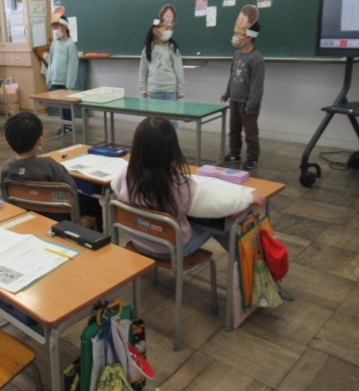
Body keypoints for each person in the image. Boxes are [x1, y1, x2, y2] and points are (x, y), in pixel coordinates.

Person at [111, 117, 265, 258]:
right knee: (224, 226)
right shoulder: (179, 186)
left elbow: (115, 186)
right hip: (170, 249)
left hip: (139, 240)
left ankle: (245, 260)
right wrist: (248, 198)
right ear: (172, 149)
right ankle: (245, 261)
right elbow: (220, 206)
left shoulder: (126, 174)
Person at [0, 112, 103, 231]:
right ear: (40, 141)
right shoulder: (50, 165)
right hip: (58, 221)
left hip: (26, 219)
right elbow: (71, 191)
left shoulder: (7, 168)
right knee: (91, 201)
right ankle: (98, 237)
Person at [221, 20, 265, 170]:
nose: (236, 36)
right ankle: (234, 153)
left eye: (239, 33)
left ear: (249, 36)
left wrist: (252, 104)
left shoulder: (256, 58)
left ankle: (252, 157)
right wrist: (228, 93)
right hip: (235, 99)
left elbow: (257, 85)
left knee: (250, 132)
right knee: (234, 129)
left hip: (248, 102)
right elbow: (232, 75)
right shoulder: (236, 55)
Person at [139, 16, 185, 129]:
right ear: (156, 30)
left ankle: (171, 140)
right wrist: (143, 88)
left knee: (172, 121)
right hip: (154, 90)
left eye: (170, 28)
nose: (169, 30)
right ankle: (156, 140)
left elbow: (179, 70)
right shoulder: (148, 49)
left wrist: (181, 90)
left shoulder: (172, 48)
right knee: (154, 120)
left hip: (170, 91)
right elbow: (143, 70)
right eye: (166, 28)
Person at [46, 10, 79, 133]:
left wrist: (69, 84)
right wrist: (49, 78)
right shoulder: (54, 44)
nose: (55, 29)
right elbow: (51, 62)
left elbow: (72, 66)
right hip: (55, 80)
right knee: (61, 105)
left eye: (57, 27)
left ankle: (69, 126)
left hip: (65, 82)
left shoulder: (70, 45)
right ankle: (65, 125)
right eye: (53, 27)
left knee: (67, 106)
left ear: (64, 27)